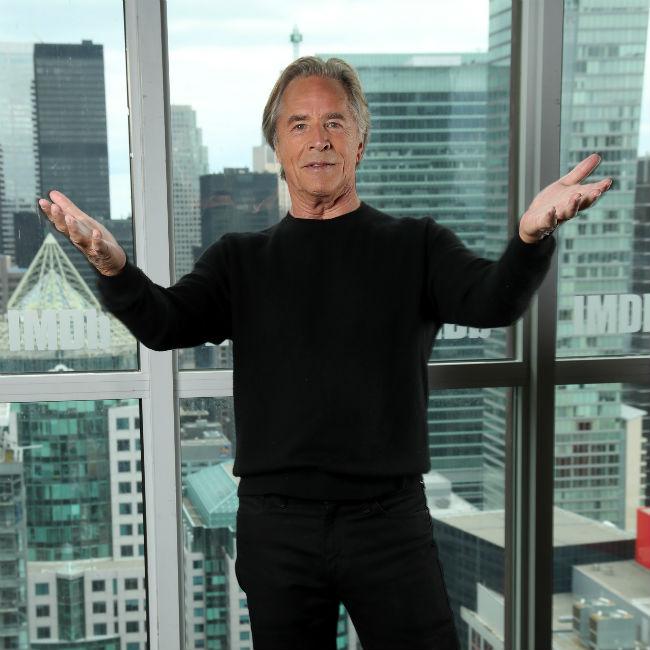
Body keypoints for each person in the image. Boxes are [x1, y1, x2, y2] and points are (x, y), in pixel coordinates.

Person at [38, 56, 611, 650]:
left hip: (389, 522)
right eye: (300, 124)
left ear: (360, 143)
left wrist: (530, 238)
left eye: (335, 122)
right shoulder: (240, 259)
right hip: (276, 528)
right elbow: (165, 322)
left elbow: (493, 301)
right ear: (278, 149)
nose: (319, 139)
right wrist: (114, 267)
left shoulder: (416, 244)